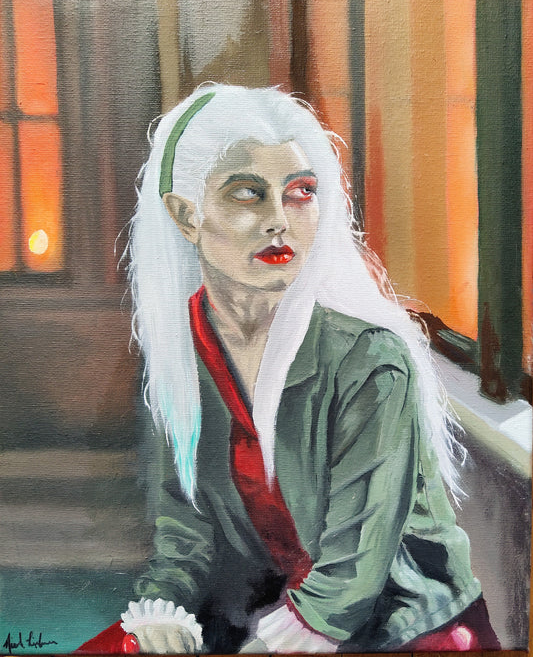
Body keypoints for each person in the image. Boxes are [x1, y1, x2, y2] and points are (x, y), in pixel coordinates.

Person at [77, 85, 499, 654]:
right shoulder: (181, 355)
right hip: (258, 612)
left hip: (392, 625)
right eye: (247, 194)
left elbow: (355, 571)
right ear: (185, 215)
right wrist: (164, 611)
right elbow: (184, 532)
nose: (279, 220)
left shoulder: (370, 360)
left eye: (301, 192)